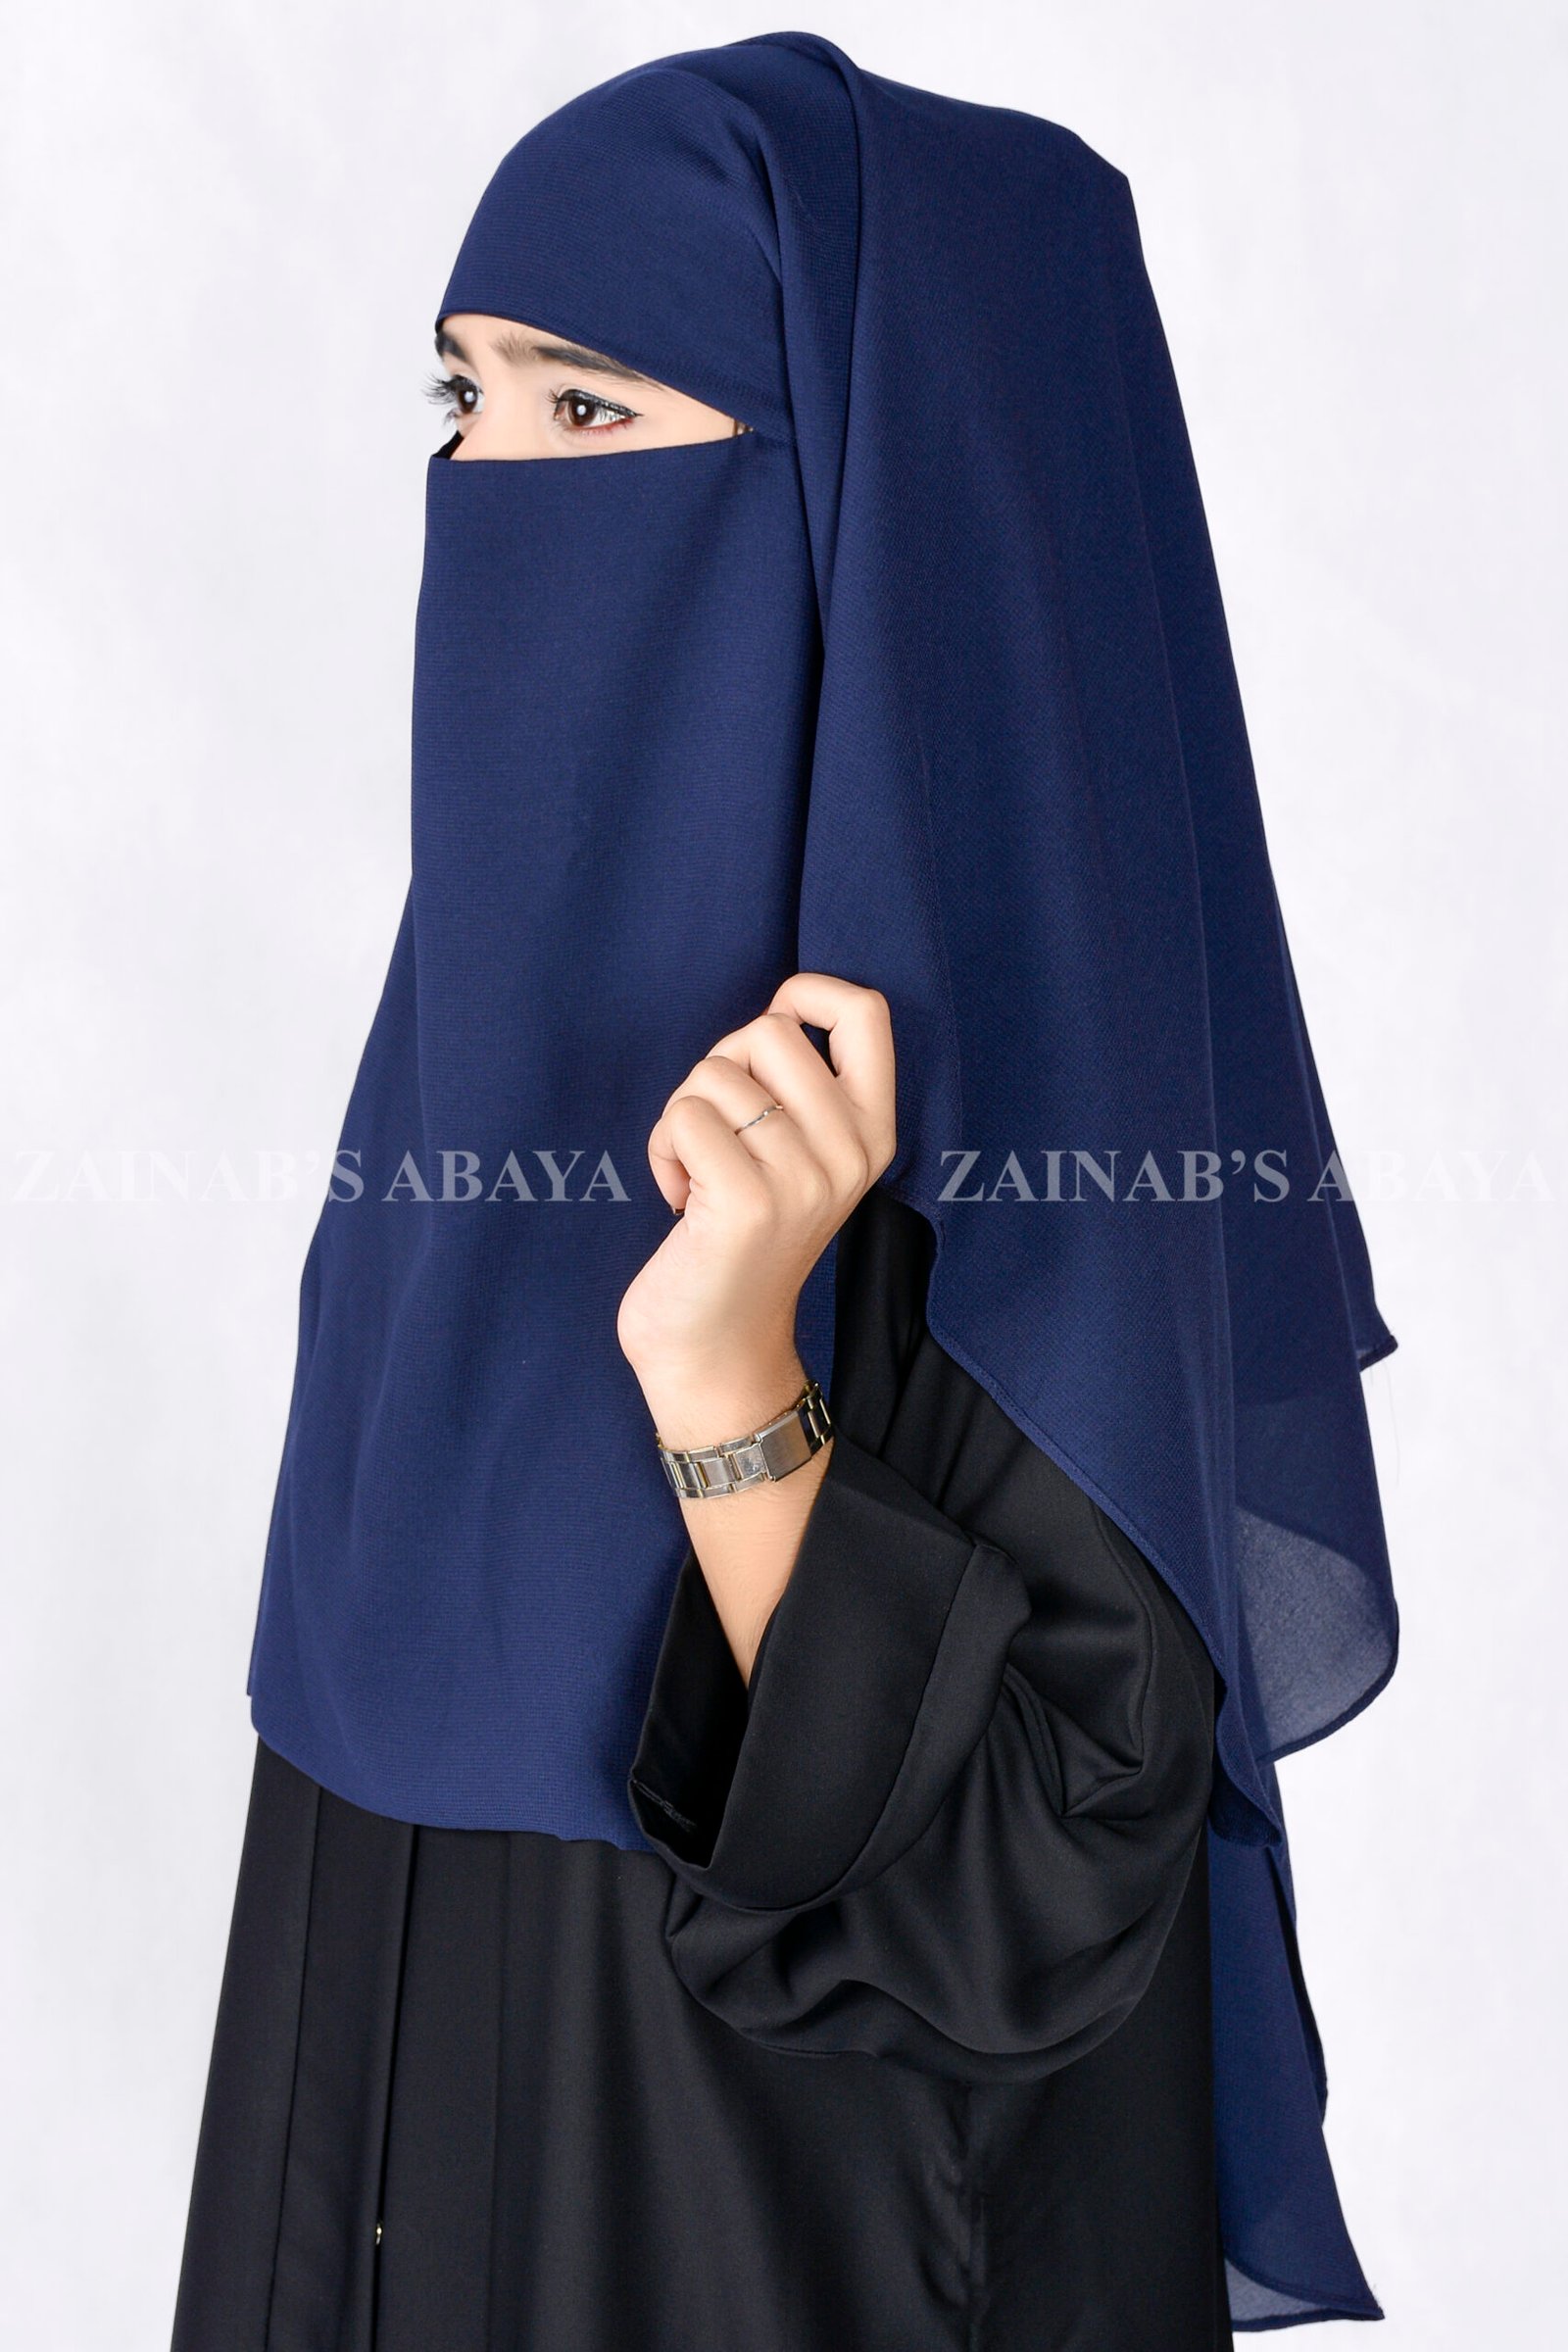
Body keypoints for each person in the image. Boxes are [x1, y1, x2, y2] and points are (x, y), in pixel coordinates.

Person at [172, 31, 1398, 2350]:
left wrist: (729, 1380)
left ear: (878, 503)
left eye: (589, 405)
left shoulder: (1023, 1166)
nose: (491, 480)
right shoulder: (450, 1104)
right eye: (464, 401)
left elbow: (1032, 1914)